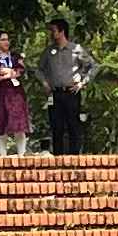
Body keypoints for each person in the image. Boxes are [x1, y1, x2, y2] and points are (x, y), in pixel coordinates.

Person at [38, 23, 94, 155]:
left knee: (73, 125)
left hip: (71, 92)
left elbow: (92, 66)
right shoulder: (49, 51)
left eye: (53, 30)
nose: (51, 34)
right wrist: (44, 83)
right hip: (55, 93)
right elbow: (39, 70)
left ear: (62, 32)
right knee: (56, 126)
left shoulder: (76, 49)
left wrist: (82, 82)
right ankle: (58, 157)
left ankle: (74, 157)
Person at [0, 38, 33, 157]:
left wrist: (7, 74)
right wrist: (9, 73)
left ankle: (21, 154)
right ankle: (3, 155)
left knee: (19, 124)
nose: (6, 42)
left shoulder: (15, 56)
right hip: (0, 93)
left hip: (16, 93)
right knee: (1, 122)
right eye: (2, 40)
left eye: (7, 40)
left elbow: (20, 69)